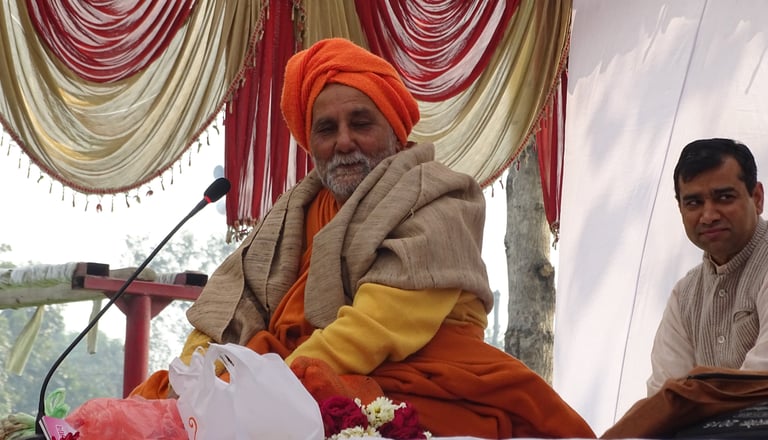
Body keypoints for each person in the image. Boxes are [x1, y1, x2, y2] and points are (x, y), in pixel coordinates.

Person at [132, 37, 594, 439]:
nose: (344, 141)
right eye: (327, 129)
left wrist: (262, 393)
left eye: (361, 123)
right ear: (310, 142)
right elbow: (226, 312)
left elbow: (373, 329)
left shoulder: (437, 195)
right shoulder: (292, 212)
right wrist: (198, 383)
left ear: (394, 130)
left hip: (411, 386)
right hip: (288, 381)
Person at [647, 138, 767, 395]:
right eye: (694, 203)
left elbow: (760, 384)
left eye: (724, 197)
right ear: (680, 209)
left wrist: (695, 403)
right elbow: (665, 396)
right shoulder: (685, 296)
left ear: (757, 198)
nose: (709, 215)